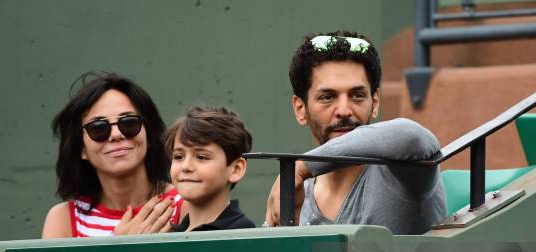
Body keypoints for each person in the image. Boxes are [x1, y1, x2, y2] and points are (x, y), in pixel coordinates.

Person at [265, 31, 446, 234]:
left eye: (357, 95)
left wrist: (300, 167)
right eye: (327, 97)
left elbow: (411, 137)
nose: (344, 110)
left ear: (375, 102)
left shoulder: (403, 173)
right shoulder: (297, 192)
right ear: (300, 109)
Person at [42, 72, 183, 238]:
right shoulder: (64, 219)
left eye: (129, 123)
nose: (116, 134)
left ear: (149, 135)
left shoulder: (184, 203)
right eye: (98, 128)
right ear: (81, 148)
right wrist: (118, 246)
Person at [164, 106, 255, 231]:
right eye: (178, 156)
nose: (186, 167)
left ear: (236, 169)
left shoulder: (241, 234)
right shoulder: (171, 233)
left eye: (201, 157)